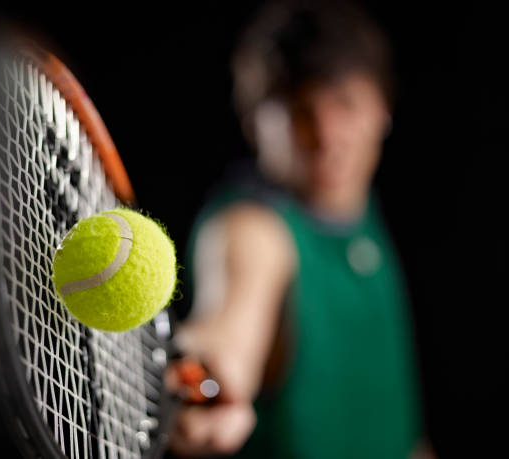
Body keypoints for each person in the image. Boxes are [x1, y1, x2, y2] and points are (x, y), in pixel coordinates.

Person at [169, 1, 431, 457]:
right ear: (255, 126)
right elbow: (227, 332)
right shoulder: (252, 229)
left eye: (346, 104)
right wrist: (208, 379)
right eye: (299, 111)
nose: (328, 136)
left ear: (382, 109)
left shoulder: (363, 220)